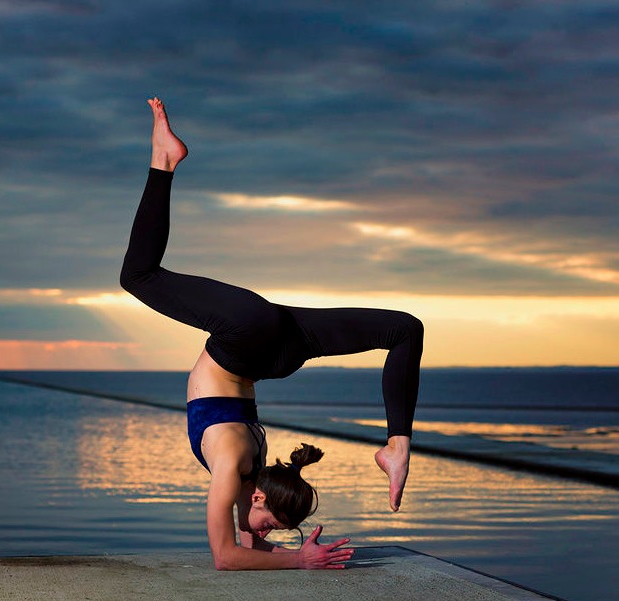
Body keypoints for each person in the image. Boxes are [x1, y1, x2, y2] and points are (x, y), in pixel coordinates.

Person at [120, 97, 424, 571]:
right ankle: (163, 160)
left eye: (271, 528)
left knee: (404, 330)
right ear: (259, 493)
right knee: (137, 276)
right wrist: (299, 561)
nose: (262, 531)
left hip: (281, 347)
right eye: (269, 521)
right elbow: (225, 557)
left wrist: (298, 553)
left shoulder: (251, 465)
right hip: (248, 337)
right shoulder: (234, 461)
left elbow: (247, 547)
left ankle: (398, 447)